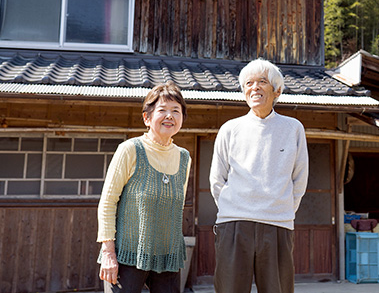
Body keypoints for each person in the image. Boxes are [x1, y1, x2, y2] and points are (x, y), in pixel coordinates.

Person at [209, 58, 309, 293]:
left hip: (277, 224)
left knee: (278, 289)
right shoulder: (230, 129)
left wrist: (281, 209)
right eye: (249, 83)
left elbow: (300, 177)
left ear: (277, 91)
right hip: (234, 224)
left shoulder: (293, 128)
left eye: (262, 82)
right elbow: (217, 179)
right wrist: (233, 208)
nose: (254, 88)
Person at [97, 81, 191, 293]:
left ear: (182, 119)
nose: (170, 116)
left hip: (168, 258)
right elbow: (107, 202)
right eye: (162, 110)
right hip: (127, 256)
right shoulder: (130, 150)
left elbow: (178, 206)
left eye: (176, 111)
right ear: (147, 118)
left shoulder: (184, 157)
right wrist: (108, 252)